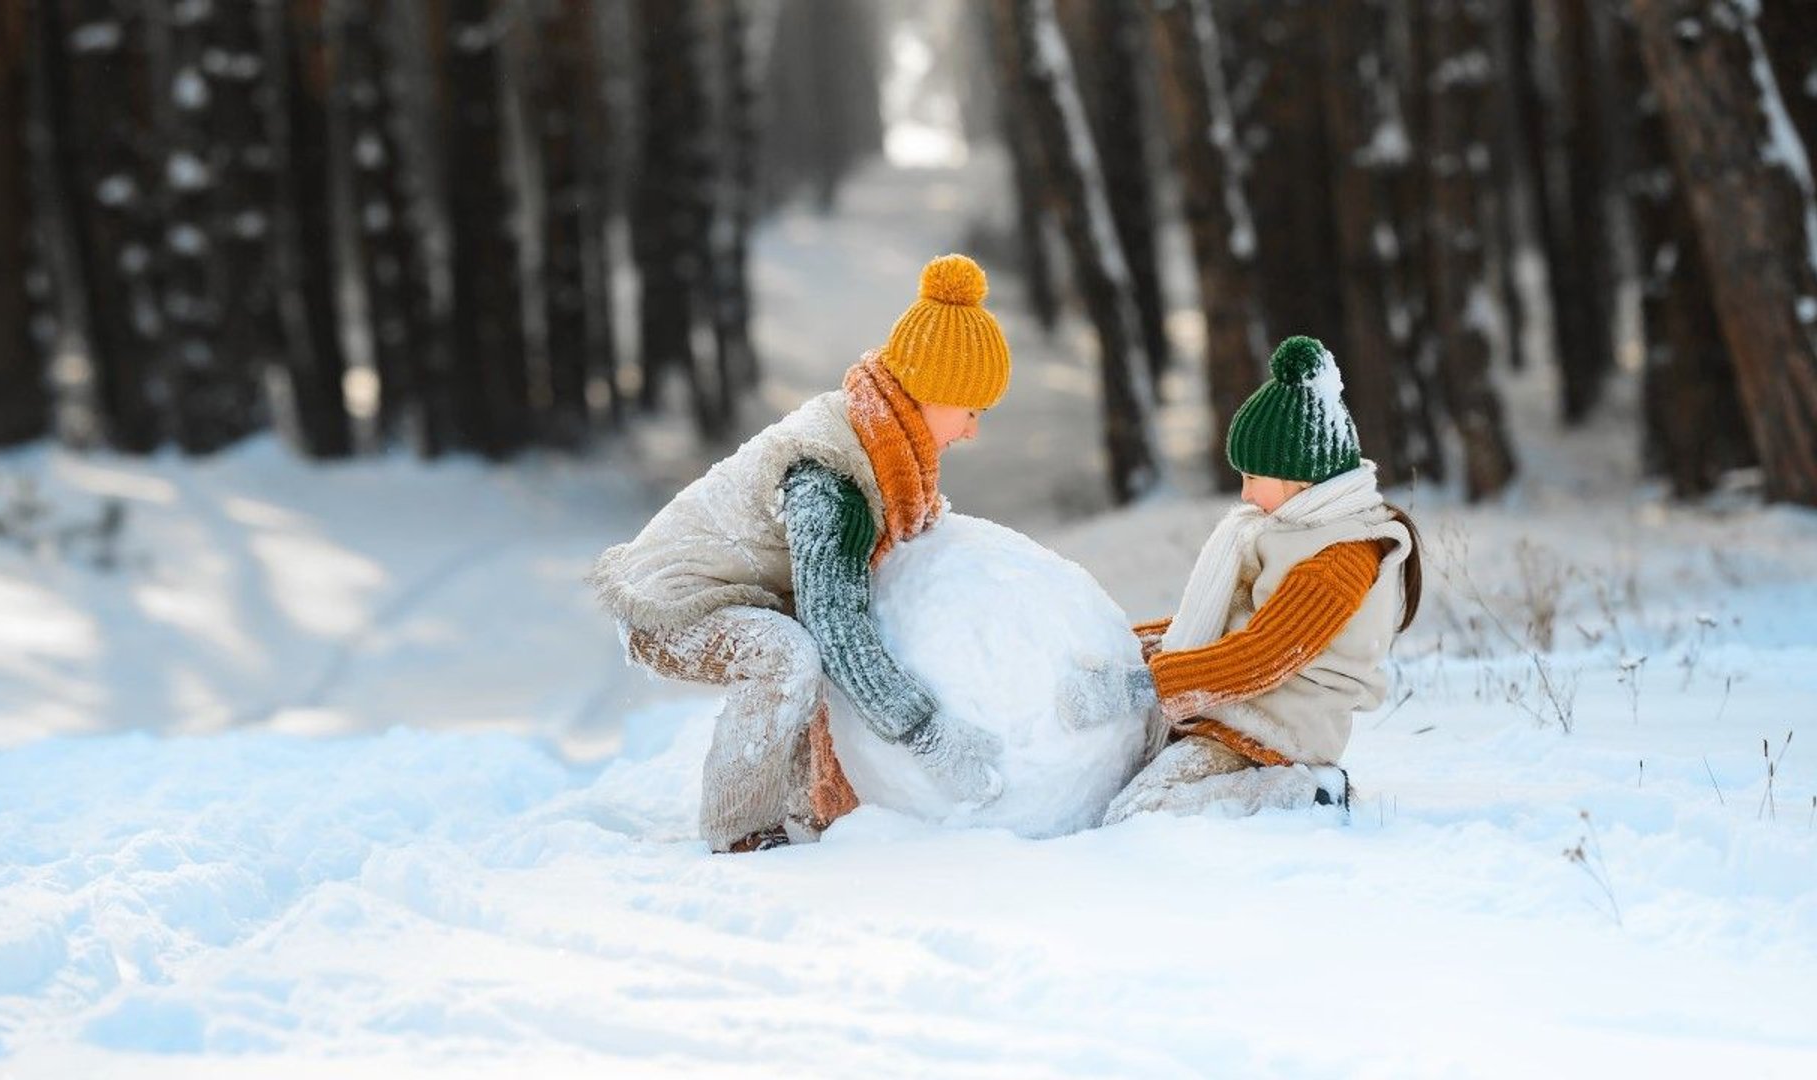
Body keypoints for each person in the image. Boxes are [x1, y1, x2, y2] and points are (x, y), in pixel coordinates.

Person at [591, 254, 1012, 852]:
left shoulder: (877, 441)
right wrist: (924, 732)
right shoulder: (831, 480)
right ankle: (738, 833)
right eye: (971, 411)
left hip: (727, 593)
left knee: (799, 649)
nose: (971, 430)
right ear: (932, 392)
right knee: (788, 654)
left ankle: (801, 813)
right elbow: (834, 625)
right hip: (666, 604)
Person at [1103, 335, 1423, 822]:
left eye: (1254, 478)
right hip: (1235, 719)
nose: (1246, 495)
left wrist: (1147, 685)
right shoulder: (1290, 533)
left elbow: (1263, 656)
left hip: (1279, 736)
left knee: (1141, 813)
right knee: (1123, 800)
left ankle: (1308, 793)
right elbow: (1231, 621)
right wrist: (1121, 643)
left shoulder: (1340, 560)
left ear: (1299, 476)